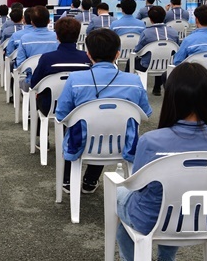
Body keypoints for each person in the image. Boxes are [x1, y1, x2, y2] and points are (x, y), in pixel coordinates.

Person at [116, 62, 207, 261]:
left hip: (151, 220)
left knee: (119, 193)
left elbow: (138, 187)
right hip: (202, 219)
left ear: (171, 97)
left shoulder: (151, 141)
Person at [56, 28, 152, 193]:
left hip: (81, 144)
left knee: (78, 123)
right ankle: (90, 180)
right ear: (117, 54)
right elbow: (146, 114)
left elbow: (61, 114)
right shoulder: (134, 81)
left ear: (88, 54)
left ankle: (68, 180)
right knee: (108, 125)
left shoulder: (75, 79)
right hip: (124, 144)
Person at [30, 18, 91, 152]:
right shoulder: (86, 58)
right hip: (80, 105)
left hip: (51, 105)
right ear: (78, 35)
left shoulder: (47, 58)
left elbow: (34, 84)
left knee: (38, 95)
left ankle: (43, 137)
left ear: (57, 36)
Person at [130, 6, 179, 96]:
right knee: (161, 56)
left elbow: (137, 50)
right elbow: (176, 48)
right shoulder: (173, 32)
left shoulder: (146, 32)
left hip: (147, 65)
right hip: (168, 64)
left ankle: (128, 86)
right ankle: (157, 87)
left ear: (150, 19)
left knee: (132, 60)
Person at [15, 6, 59, 91]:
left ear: (32, 22)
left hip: (32, 82)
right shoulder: (57, 37)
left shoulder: (24, 39)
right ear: (49, 21)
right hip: (55, 82)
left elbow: (20, 64)